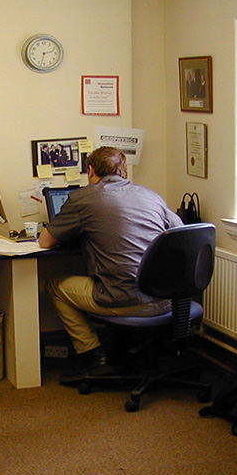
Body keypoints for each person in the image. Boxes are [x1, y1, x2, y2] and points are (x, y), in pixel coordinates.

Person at [38, 145, 182, 382]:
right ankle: (126, 352)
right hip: (164, 298)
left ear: (91, 170)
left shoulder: (83, 197)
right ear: (124, 171)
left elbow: (45, 242)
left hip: (123, 298)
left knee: (55, 285)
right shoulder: (151, 196)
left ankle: (94, 356)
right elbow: (179, 232)